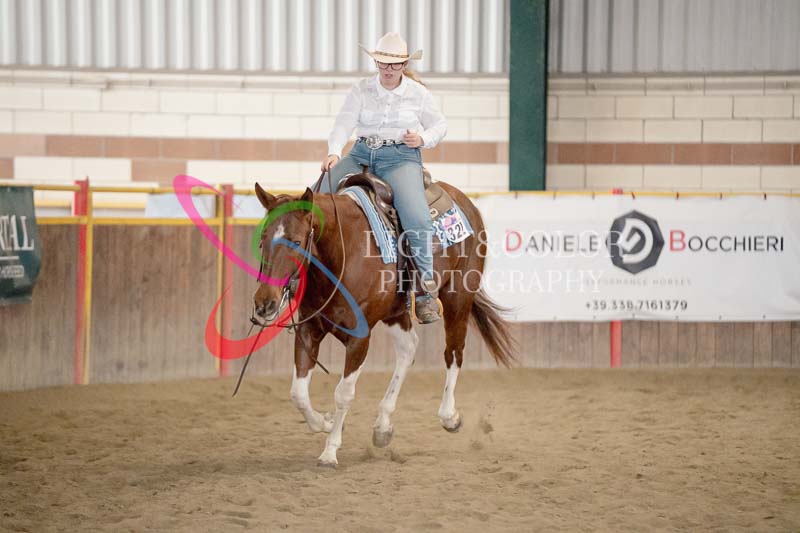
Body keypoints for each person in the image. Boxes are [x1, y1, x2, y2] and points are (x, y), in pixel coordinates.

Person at [319, 32, 447, 324]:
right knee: (315, 196)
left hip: (400, 158)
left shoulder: (418, 94)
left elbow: (440, 125)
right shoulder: (361, 89)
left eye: (395, 64)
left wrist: (423, 139)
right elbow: (344, 123)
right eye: (383, 63)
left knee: (417, 217)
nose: (388, 69)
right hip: (361, 153)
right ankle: (300, 275)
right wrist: (334, 152)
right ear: (375, 62)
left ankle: (425, 291)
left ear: (404, 65)